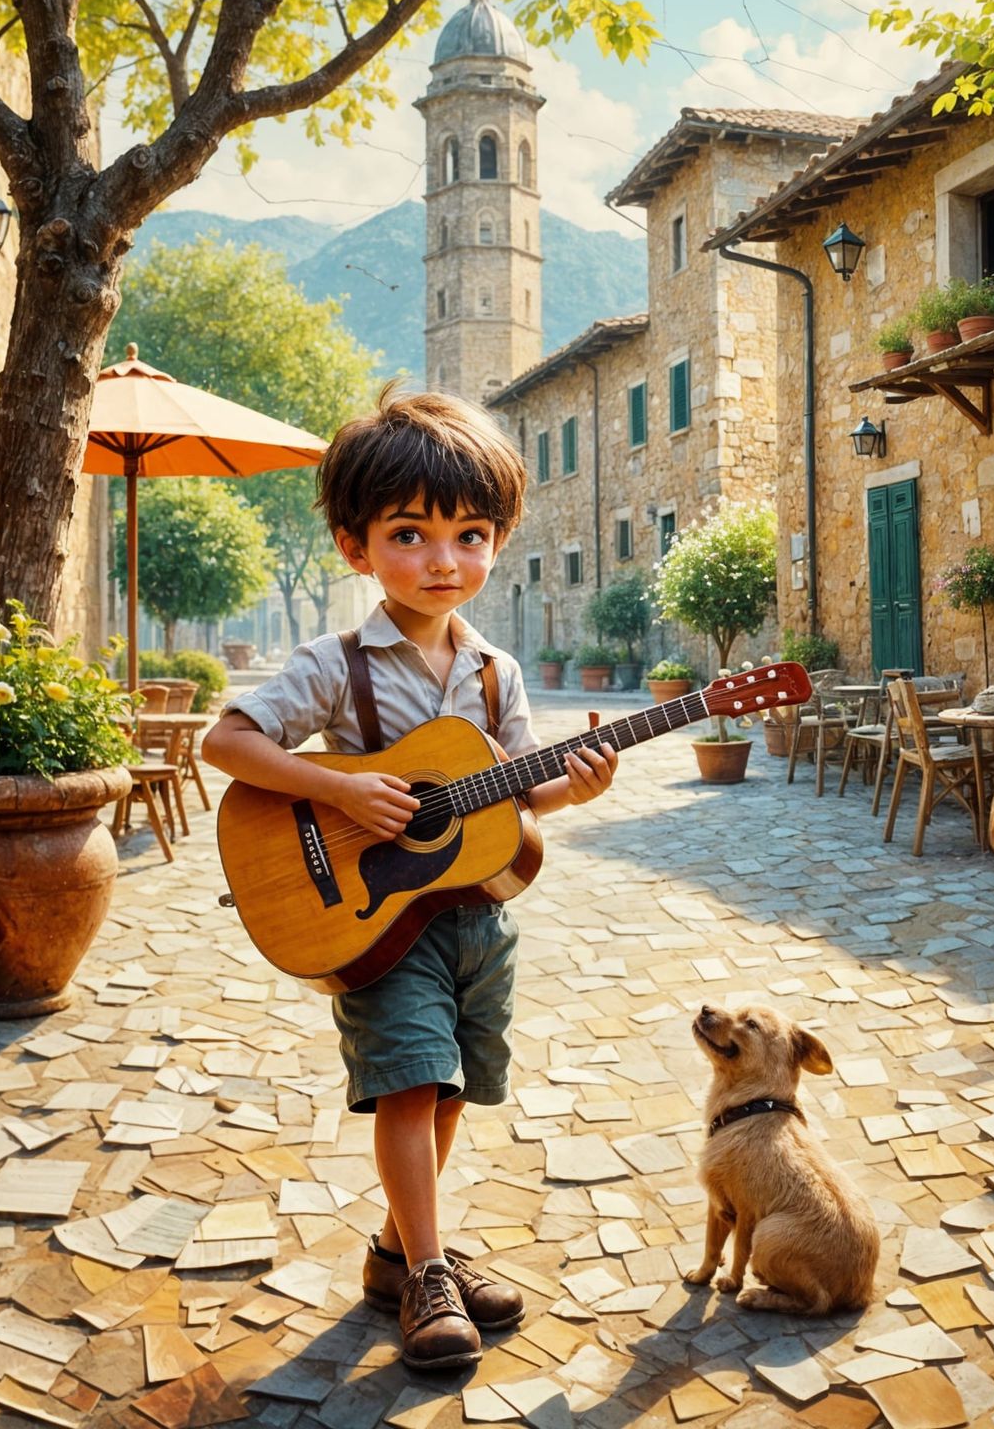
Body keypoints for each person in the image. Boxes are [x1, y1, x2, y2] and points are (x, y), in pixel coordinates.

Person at [203, 386, 618, 1370]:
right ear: (356, 547)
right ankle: (431, 1271)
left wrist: (574, 788)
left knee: (452, 1090)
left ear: (499, 539)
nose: (443, 560)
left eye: (470, 535)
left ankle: (399, 1250)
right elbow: (227, 739)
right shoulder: (335, 663)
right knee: (406, 1082)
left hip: (478, 921)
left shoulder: (493, 676)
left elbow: (511, 802)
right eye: (410, 534)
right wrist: (334, 792)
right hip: (374, 918)